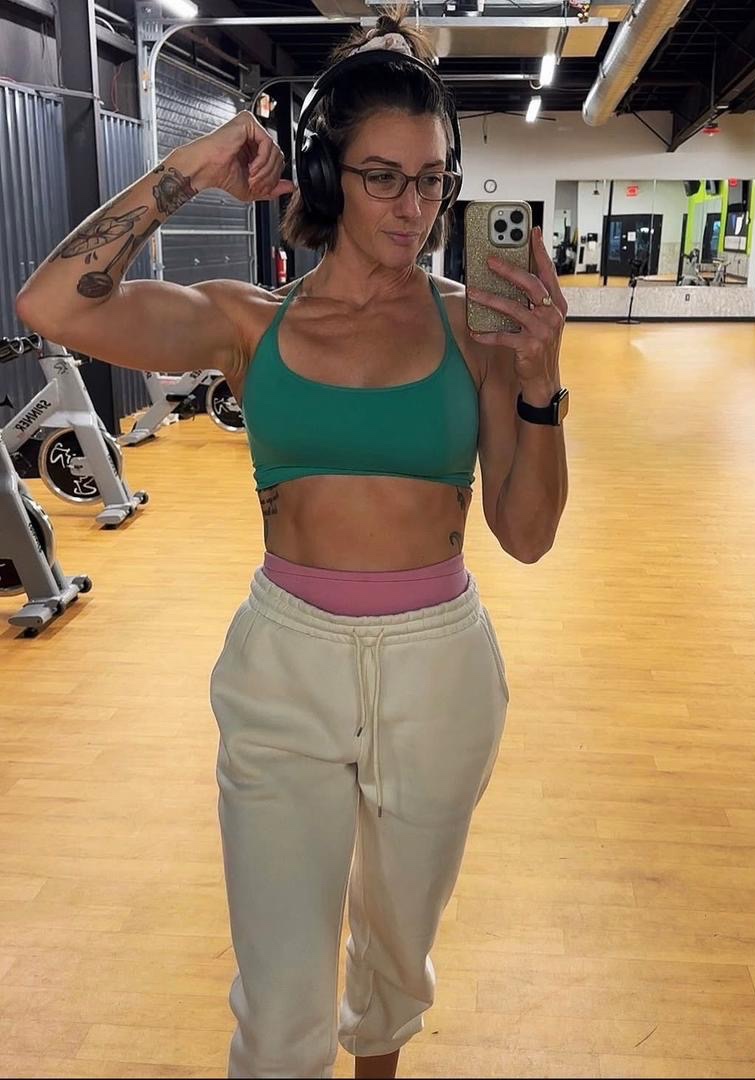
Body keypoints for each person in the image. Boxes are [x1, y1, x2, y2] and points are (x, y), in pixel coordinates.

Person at [15, 7, 569, 1076]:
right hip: (286, 669)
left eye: (433, 180)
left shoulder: (476, 329)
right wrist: (189, 166)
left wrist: (540, 384)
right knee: (278, 1012)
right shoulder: (248, 323)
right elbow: (52, 304)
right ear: (325, 178)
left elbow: (529, 534)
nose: (414, 209)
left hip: (440, 671)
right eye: (383, 178)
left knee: (396, 965)